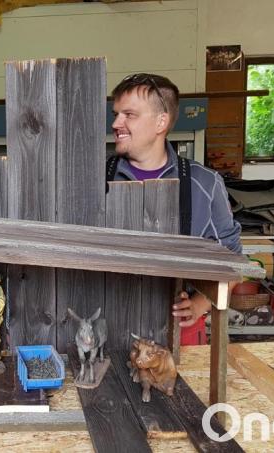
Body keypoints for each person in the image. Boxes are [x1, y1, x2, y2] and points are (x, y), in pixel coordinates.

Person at [107, 73, 242, 345]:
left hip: (178, 334)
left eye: (129, 115)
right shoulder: (97, 177)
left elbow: (233, 261)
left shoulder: (203, 183)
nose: (116, 123)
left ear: (161, 121)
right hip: (110, 328)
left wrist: (200, 304)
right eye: (116, 114)